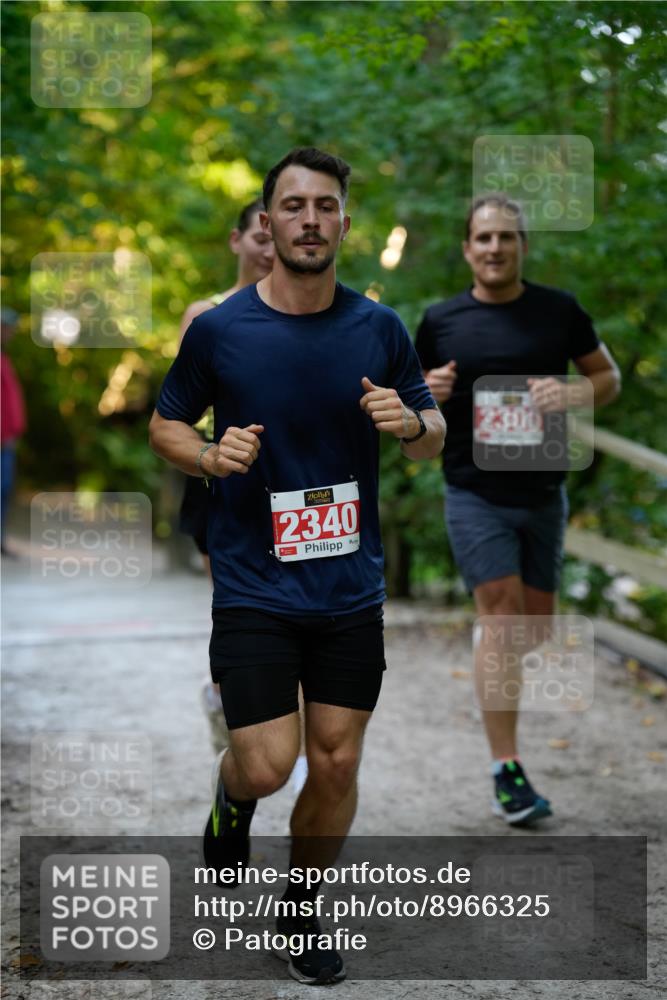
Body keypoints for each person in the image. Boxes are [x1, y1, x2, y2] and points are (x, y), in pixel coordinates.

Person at [149, 146, 445, 984]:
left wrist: (412, 424)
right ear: (266, 224)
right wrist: (209, 457)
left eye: (325, 206)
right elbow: (166, 426)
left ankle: (304, 904)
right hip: (252, 584)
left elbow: (434, 441)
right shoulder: (221, 329)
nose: (309, 219)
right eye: (293, 205)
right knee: (268, 764)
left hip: (350, 587)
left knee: (339, 760)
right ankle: (230, 799)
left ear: (344, 222)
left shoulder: (379, 329)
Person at [415, 193, 620, 827]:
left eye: (506, 237)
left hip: (543, 493)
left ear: (523, 245)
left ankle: (492, 658)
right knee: (501, 621)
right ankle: (507, 769)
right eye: (483, 239)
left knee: (533, 628)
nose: (495, 248)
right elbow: (409, 409)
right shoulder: (440, 320)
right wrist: (428, 391)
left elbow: (607, 378)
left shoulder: (559, 312)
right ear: (467, 249)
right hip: (474, 491)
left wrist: (574, 390)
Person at [177, 199, 274, 755]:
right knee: (235, 600)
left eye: (273, 234)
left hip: (288, 479)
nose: (267, 246)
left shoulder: (311, 311)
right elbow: (181, 409)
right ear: (237, 242)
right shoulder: (205, 313)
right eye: (256, 236)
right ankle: (226, 701)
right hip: (218, 476)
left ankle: (286, 725)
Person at [1, 308, 26, 557]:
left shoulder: (4, 358)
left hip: (7, 442)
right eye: (6, 328)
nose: (10, 333)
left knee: (4, 489)